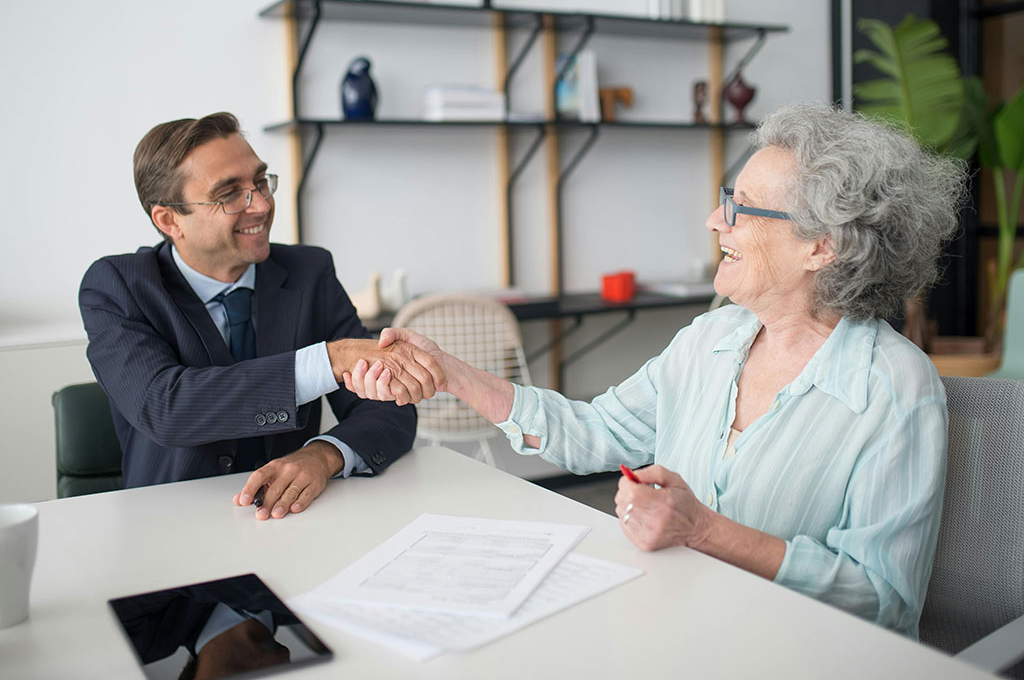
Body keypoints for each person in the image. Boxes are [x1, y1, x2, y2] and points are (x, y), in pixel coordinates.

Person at [343, 104, 967, 637]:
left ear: (821, 245)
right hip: (675, 622)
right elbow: (596, 432)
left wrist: (704, 530)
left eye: (741, 207)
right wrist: (453, 375)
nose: (715, 220)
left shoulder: (894, 389)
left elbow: (884, 601)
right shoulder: (712, 339)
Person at [79, 112, 441, 521]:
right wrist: (329, 360)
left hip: (296, 522)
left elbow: (387, 406)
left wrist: (324, 455)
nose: (263, 205)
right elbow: (167, 407)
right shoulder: (117, 286)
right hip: (170, 529)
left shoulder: (309, 272)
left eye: (260, 182)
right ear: (169, 219)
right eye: (230, 194)